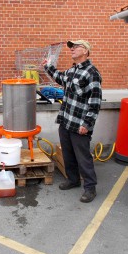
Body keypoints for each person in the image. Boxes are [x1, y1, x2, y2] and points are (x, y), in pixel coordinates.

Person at [44, 39, 102, 203]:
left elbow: (95, 101)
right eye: (72, 47)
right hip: (66, 121)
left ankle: (90, 188)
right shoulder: (72, 70)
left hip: (80, 125)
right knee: (68, 154)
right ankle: (73, 180)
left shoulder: (92, 73)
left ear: (85, 51)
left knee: (83, 157)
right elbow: (61, 78)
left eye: (76, 47)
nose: (72, 49)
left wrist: (87, 124)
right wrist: (48, 67)